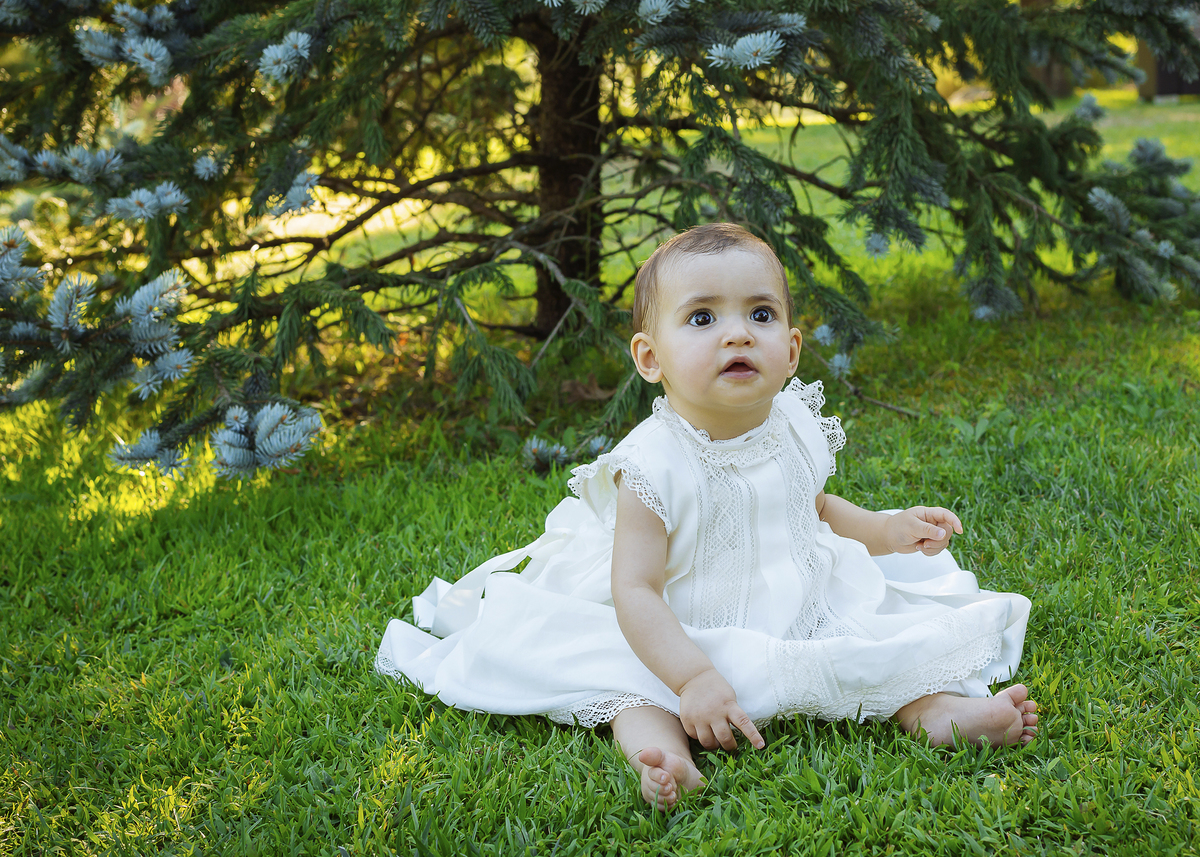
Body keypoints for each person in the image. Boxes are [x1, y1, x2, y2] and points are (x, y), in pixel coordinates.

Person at [376, 223, 1037, 811]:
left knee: (871, 639)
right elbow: (633, 588)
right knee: (628, 686)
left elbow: (811, 507)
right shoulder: (652, 464)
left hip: (796, 588)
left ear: (793, 348)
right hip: (672, 620)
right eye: (701, 318)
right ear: (649, 358)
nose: (737, 332)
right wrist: (692, 674)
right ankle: (661, 757)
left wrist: (887, 529)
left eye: (760, 313)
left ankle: (936, 709)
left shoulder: (795, 422)